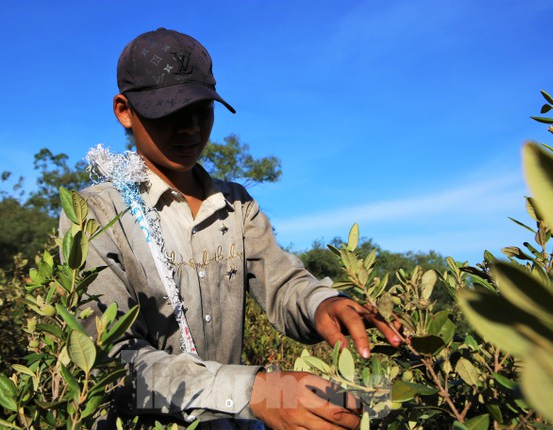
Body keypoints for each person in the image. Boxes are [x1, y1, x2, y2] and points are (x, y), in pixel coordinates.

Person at [61, 28, 402, 429]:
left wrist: (321, 304)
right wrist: (255, 392)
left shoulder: (236, 204)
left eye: (201, 111)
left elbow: (282, 281)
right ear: (124, 110)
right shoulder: (97, 212)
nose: (190, 129)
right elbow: (105, 360)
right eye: (169, 112)